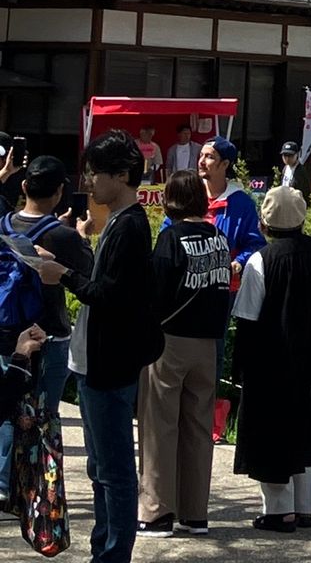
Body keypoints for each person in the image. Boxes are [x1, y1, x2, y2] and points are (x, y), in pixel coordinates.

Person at [37, 128, 164, 563]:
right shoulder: (118, 222)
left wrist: (63, 275)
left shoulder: (130, 226)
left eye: (95, 174)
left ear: (123, 174)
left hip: (109, 365)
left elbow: (110, 294)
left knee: (113, 472)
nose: (88, 182)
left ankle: (112, 553)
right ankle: (104, 548)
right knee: (100, 469)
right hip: (95, 362)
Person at [231, 186, 311, 533]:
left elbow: (248, 319)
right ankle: (303, 508)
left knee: (270, 436)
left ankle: (278, 510)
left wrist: (240, 368)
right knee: (306, 431)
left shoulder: (261, 261)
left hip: (271, 363)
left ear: (265, 222)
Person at [137, 169, 231, 537]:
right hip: (207, 343)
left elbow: (154, 294)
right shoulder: (219, 239)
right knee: (197, 428)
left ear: (169, 200)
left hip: (170, 340)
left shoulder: (171, 239)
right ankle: (195, 513)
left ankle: (157, 511)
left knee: (159, 428)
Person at [2, 155, 92, 415]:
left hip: (6, 333)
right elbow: (88, 275)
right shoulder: (63, 236)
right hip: (48, 336)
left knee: (7, 417)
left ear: (24, 187)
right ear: (59, 191)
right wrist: (82, 236)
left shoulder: (2, 226)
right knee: (42, 418)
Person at [190, 137, 265, 276]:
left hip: (225, 286)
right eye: (201, 155)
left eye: (209, 157)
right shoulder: (189, 195)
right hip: (189, 283)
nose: (201, 161)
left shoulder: (241, 203)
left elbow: (255, 243)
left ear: (224, 164)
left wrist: (239, 262)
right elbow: (169, 231)